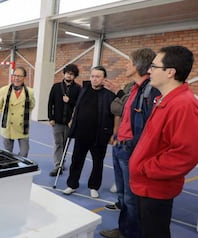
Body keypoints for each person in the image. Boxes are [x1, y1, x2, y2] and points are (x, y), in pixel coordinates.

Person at [129, 46, 198, 238]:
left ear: (170, 72)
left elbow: (186, 154)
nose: (149, 70)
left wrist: (145, 168)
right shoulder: (164, 100)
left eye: (154, 66)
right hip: (146, 185)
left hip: (155, 187)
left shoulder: (183, 105)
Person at [99, 48, 160, 238]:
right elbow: (122, 113)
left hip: (131, 150)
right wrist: (118, 137)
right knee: (123, 196)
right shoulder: (134, 87)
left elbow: (148, 128)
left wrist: (135, 149)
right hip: (121, 146)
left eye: (129, 62)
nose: (126, 65)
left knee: (131, 198)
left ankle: (131, 233)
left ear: (137, 66)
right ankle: (124, 229)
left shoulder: (151, 91)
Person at [63, 66, 116, 198]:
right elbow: (77, 107)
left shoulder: (109, 95)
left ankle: (94, 186)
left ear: (104, 79)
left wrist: (112, 134)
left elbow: (115, 115)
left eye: (98, 77)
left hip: (99, 135)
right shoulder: (84, 90)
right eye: (92, 76)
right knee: (76, 160)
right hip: (81, 133)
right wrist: (72, 120)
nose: (94, 79)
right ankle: (72, 184)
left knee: (98, 162)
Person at [47, 64, 81, 176]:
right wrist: (50, 117)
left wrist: (70, 101)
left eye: (71, 74)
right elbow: (50, 103)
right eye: (67, 73)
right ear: (64, 73)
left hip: (69, 122)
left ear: (74, 76)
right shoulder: (56, 87)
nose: (69, 76)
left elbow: (79, 105)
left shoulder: (78, 89)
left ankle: (62, 161)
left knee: (65, 144)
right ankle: (58, 165)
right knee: (58, 143)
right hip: (57, 121)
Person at [0, 66, 35, 157]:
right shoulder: (4, 90)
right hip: (8, 125)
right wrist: (8, 114)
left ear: (24, 77)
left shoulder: (30, 92)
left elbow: (31, 106)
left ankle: (19, 166)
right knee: (7, 153)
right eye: (15, 75)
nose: (16, 78)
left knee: (24, 152)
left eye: (20, 76)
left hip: (23, 126)